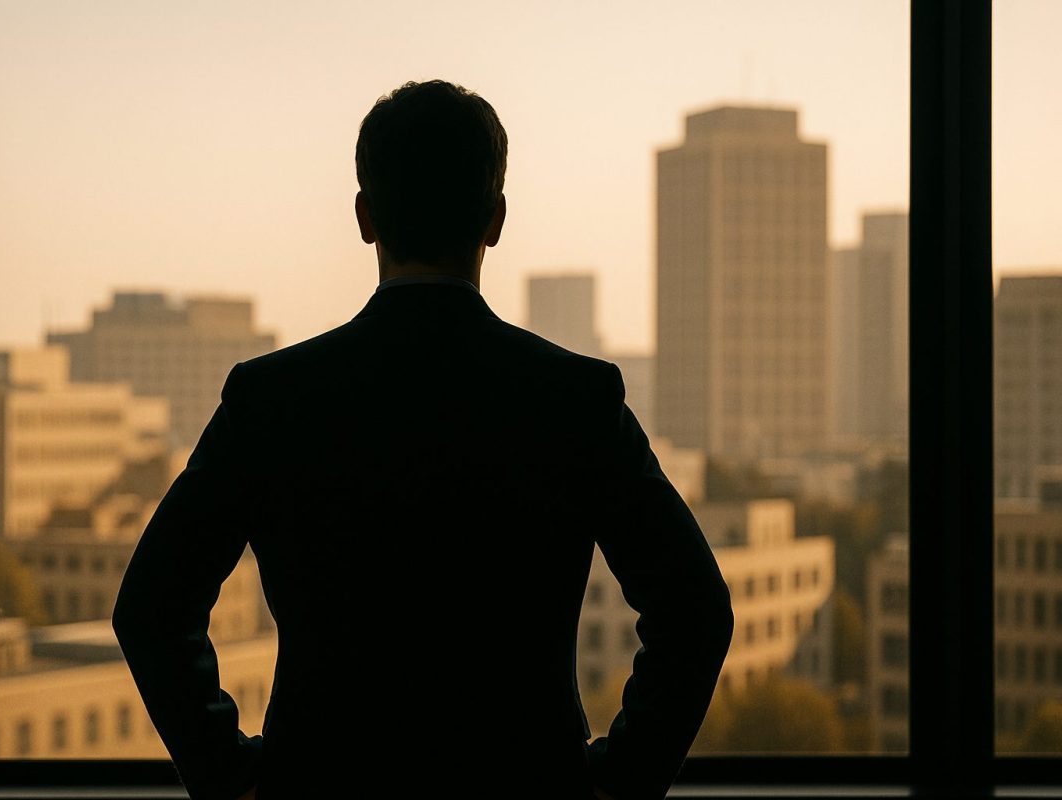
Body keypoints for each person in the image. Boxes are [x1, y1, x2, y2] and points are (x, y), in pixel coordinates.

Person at [112, 78, 734, 800]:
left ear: (365, 216)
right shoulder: (575, 399)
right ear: (495, 219)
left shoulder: (272, 398)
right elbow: (695, 610)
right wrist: (614, 789)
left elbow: (151, 608)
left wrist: (233, 780)